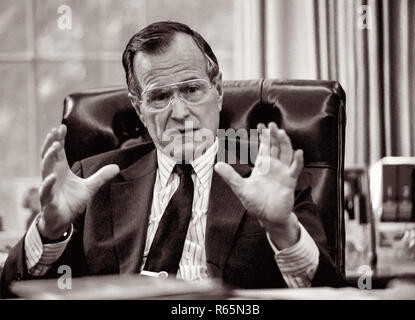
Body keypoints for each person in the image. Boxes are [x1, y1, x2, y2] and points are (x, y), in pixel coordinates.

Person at [0, 21, 345, 298]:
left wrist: (281, 228)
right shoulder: (93, 179)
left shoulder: (267, 173)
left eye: (192, 90)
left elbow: (326, 291)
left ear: (218, 91)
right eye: (159, 96)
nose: (179, 112)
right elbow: (12, 287)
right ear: (139, 107)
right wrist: (50, 230)